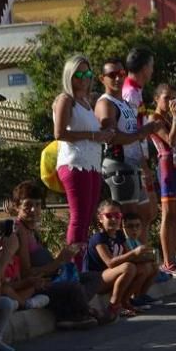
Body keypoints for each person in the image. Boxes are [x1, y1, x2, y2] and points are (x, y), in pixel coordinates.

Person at [9, 181, 103, 329]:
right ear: (16, 206)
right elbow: (26, 273)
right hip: (38, 285)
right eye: (28, 205)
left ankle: (73, 312)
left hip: (53, 278)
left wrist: (63, 257)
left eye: (38, 205)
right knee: (73, 288)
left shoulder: (32, 230)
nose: (34, 210)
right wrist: (58, 261)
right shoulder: (19, 231)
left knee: (95, 277)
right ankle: (80, 313)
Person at [53, 55, 112, 269]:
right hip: (74, 163)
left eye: (87, 73)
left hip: (92, 164)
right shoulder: (65, 99)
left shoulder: (86, 102)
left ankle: (81, 265)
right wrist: (94, 136)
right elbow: (59, 133)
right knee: (78, 219)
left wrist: (103, 134)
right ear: (70, 75)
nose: (84, 78)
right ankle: (72, 268)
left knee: (87, 218)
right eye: (79, 74)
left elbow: (90, 134)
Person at [96, 57, 163, 237]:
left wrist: (144, 167)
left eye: (121, 73)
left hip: (132, 166)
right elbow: (112, 137)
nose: (118, 78)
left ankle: (143, 259)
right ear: (102, 78)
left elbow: (134, 137)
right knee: (129, 220)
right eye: (112, 75)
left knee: (146, 215)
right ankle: (131, 260)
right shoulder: (105, 103)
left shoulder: (123, 103)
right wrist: (143, 132)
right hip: (119, 166)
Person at [149, 84, 176, 277]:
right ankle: (167, 261)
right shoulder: (156, 119)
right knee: (168, 214)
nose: (171, 102)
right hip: (167, 168)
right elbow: (171, 140)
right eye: (166, 98)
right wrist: (175, 118)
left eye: (174, 98)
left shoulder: (169, 117)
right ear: (156, 99)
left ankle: (173, 259)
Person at [87, 200, 156, 319]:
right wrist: (134, 253)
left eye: (117, 216)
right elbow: (110, 262)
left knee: (146, 268)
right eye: (109, 216)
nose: (114, 219)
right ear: (100, 218)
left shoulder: (119, 235)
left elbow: (129, 254)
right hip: (95, 279)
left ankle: (126, 302)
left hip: (111, 276)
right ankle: (114, 305)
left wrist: (147, 258)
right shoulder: (98, 238)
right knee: (128, 267)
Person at [122, 48, 159, 241]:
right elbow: (130, 131)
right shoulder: (129, 94)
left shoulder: (136, 91)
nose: (152, 70)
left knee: (148, 213)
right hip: (131, 162)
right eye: (151, 66)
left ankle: (145, 260)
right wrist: (142, 162)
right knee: (140, 215)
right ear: (144, 68)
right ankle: (139, 260)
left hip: (139, 159)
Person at [121, 211, 161, 309]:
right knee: (145, 268)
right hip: (128, 270)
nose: (134, 229)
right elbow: (133, 258)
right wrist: (148, 258)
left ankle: (142, 295)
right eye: (130, 226)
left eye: (137, 226)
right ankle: (134, 297)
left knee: (155, 268)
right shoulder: (125, 241)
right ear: (123, 227)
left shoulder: (136, 241)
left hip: (134, 267)